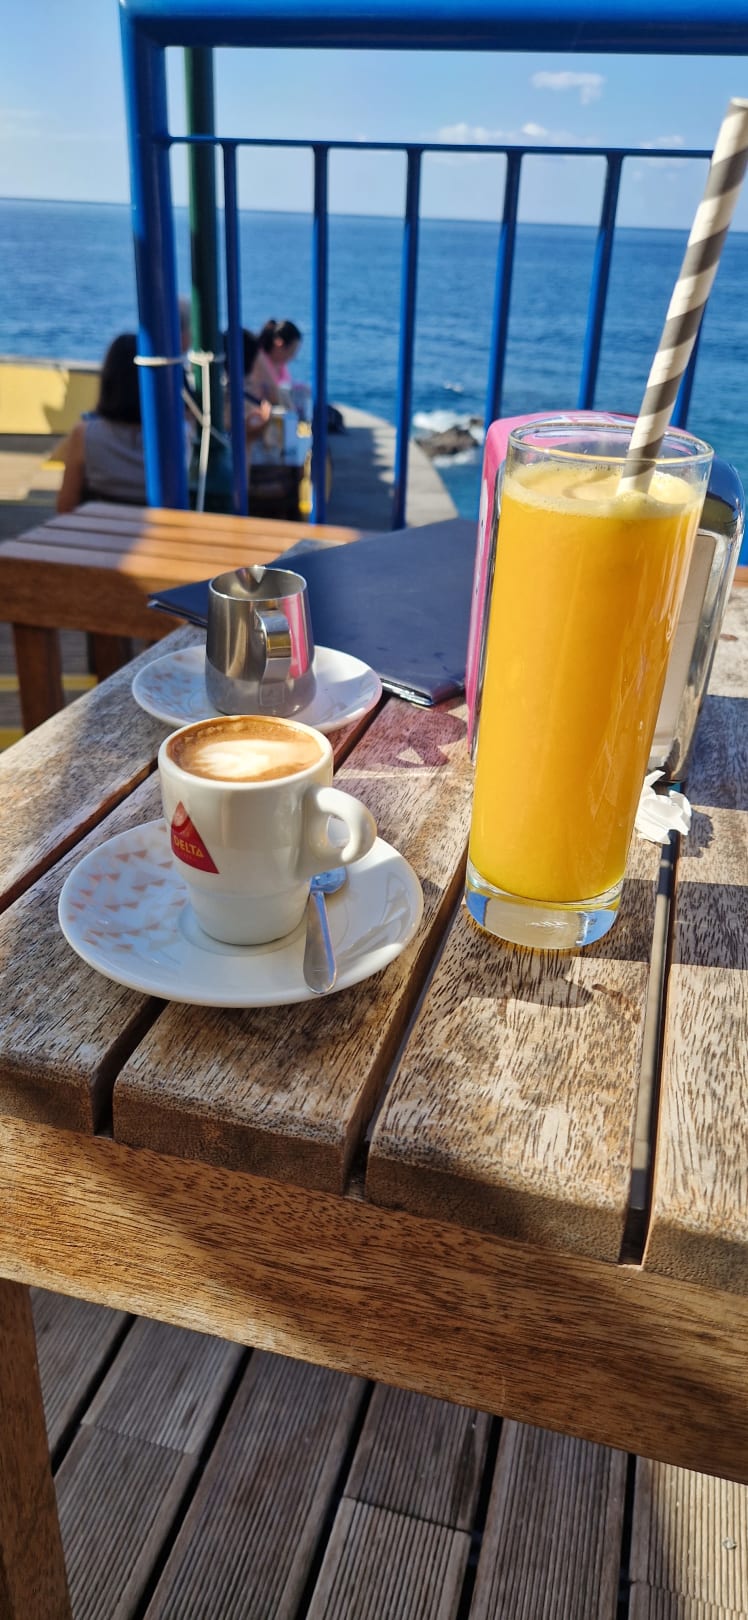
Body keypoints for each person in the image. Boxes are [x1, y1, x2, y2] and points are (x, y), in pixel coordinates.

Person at [56, 333, 146, 512]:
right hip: (160, 527)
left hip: (97, 525)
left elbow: (65, 506)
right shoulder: (179, 436)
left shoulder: (85, 435)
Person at [247, 319, 303, 408]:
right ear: (279, 344)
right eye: (291, 351)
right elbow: (272, 395)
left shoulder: (280, 364)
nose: (292, 357)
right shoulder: (258, 360)